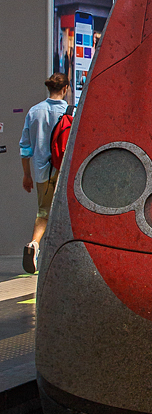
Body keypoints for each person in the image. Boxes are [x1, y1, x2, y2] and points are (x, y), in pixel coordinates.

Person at [19, 73, 70, 273]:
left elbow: (25, 147)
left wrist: (27, 175)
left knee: (43, 213)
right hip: (65, 170)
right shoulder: (70, 110)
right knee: (66, 214)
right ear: (65, 89)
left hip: (42, 172)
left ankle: (34, 245)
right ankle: (63, 256)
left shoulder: (34, 111)